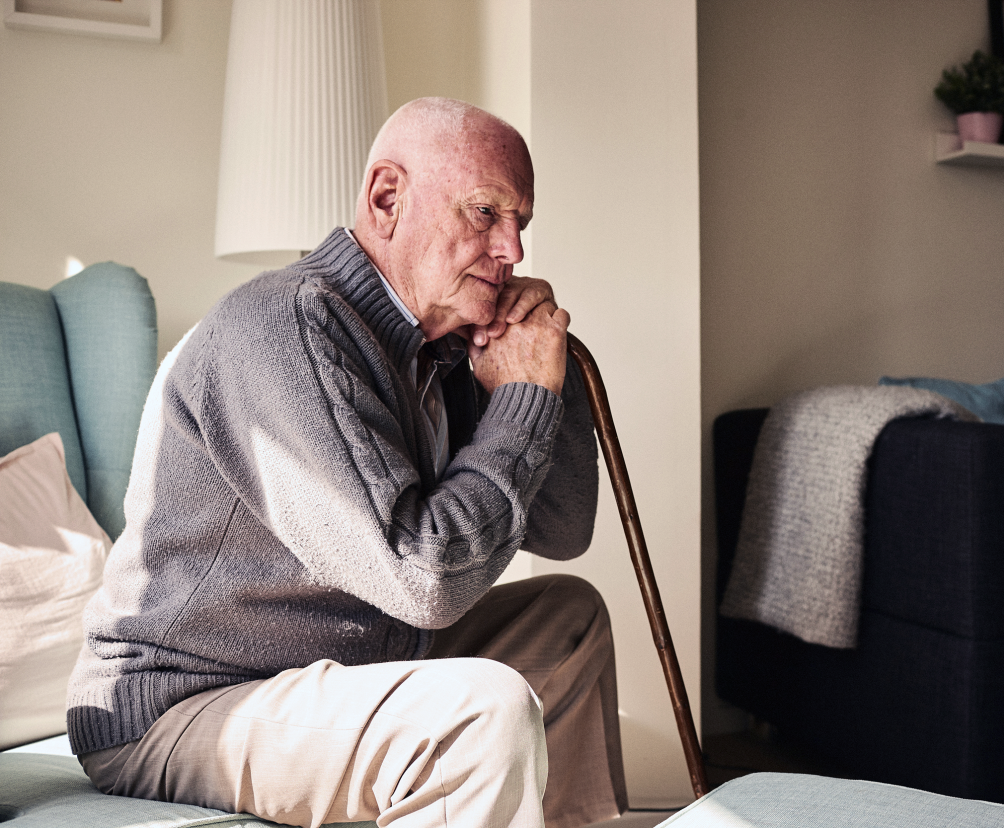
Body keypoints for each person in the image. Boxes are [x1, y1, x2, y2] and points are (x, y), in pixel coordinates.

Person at [66, 98, 627, 828]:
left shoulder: (444, 341)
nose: (513, 250)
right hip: (184, 704)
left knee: (569, 617)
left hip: (340, 665)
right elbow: (426, 581)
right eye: (486, 213)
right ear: (387, 198)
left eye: (521, 221)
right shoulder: (285, 325)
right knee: (477, 714)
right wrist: (521, 395)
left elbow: (562, 526)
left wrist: (541, 371)